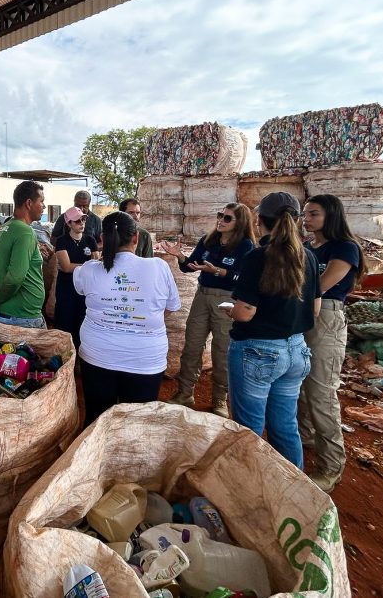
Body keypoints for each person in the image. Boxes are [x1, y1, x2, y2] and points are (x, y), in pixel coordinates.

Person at [224, 192, 321, 469]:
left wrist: (230, 310)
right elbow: (314, 310)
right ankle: (294, 495)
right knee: (285, 426)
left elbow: (245, 312)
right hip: (297, 351)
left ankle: (247, 497)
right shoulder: (309, 258)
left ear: (259, 221)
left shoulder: (257, 257)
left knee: (248, 429)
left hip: (258, 351)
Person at [73, 211, 181, 426]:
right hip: (145, 360)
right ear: (136, 238)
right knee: (137, 424)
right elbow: (169, 309)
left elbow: (82, 291)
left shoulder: (88, 269)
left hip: (98, 355)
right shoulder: (158, 267)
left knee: (96, 420)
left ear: (102, 239)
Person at [160, 203, 255, 418]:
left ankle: (219, 400)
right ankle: (185, 393)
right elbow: (189, 266)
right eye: (220, 215)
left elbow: (244, 277)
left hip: (228, 299)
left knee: (222, 352)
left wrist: (220, 272)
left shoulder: (246, 246)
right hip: (202, 295)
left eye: (227, 218)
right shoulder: (208, 240)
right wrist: (180, 257)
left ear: (240, 222)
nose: (221, 220)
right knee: (192, 344)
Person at [299, 194, 367, 493]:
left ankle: (331, 465)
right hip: (300, 314)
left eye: (313, 214)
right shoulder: (306, 247)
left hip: (325, 318)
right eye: (305, 214)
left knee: (320, 393)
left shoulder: (344, 248)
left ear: (331, 216)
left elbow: (320, 286)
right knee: (298, 384)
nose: (307, 219)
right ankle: (304, 438)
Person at [0, 181, 47, 328]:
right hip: (23, 317)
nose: (44, 206)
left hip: (3, 314)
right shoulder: (25, 232)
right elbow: (16, 277)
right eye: (41, 201)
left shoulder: (2, 230)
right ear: (29, 203)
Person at [53, 206, 100, 346]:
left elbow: (95, 265)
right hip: (66, 289)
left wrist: (76, 266)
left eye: (83, 220)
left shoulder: (90, 240)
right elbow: (66, 268)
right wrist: (87, 265)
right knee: (65, 325)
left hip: (85, 291)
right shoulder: (62, 241)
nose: (82, 223)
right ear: (69, 224)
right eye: (77, 221)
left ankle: (81, 361)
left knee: (83, 325)